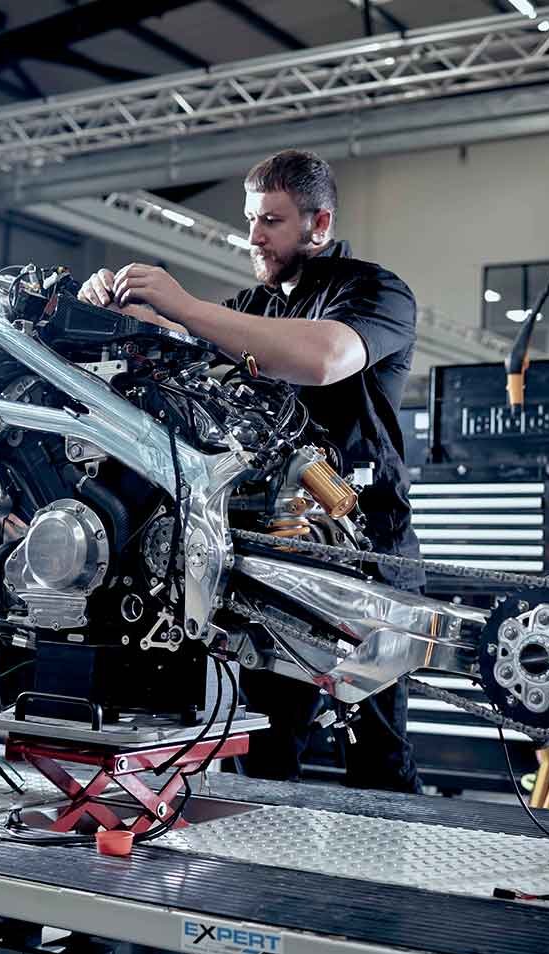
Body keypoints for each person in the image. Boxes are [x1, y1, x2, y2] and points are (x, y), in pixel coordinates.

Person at [80, 149, 423, 794]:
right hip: (276, 549)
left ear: (319, 224)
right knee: (263, 749)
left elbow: (324, 357)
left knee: (379, 752)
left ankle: (399, 876)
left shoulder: (375, 292)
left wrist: (182, 303)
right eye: (249, 221)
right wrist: (114, 303)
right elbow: (172, 339)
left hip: (363, 543)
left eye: (271, 220)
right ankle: (261, 880)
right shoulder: (253, 306)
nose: (255, 237)